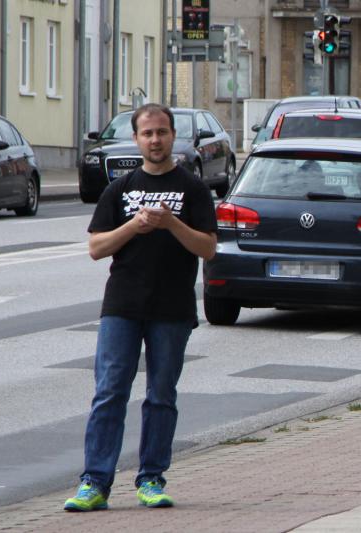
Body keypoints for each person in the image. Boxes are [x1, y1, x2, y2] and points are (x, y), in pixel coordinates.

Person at [64, 104, 217, 511]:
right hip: (122, 306)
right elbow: (96, 248)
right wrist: (134, 225)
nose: (155, 140)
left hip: (172, 306)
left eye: (162, 132)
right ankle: (94, 483)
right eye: (147, 133)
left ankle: (151, 478)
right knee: (109, 392)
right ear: (136, 139)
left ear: (173, 136)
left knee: (161, 395)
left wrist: (171, 223)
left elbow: (208, 248)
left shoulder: (193, 189)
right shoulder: (120, 189)